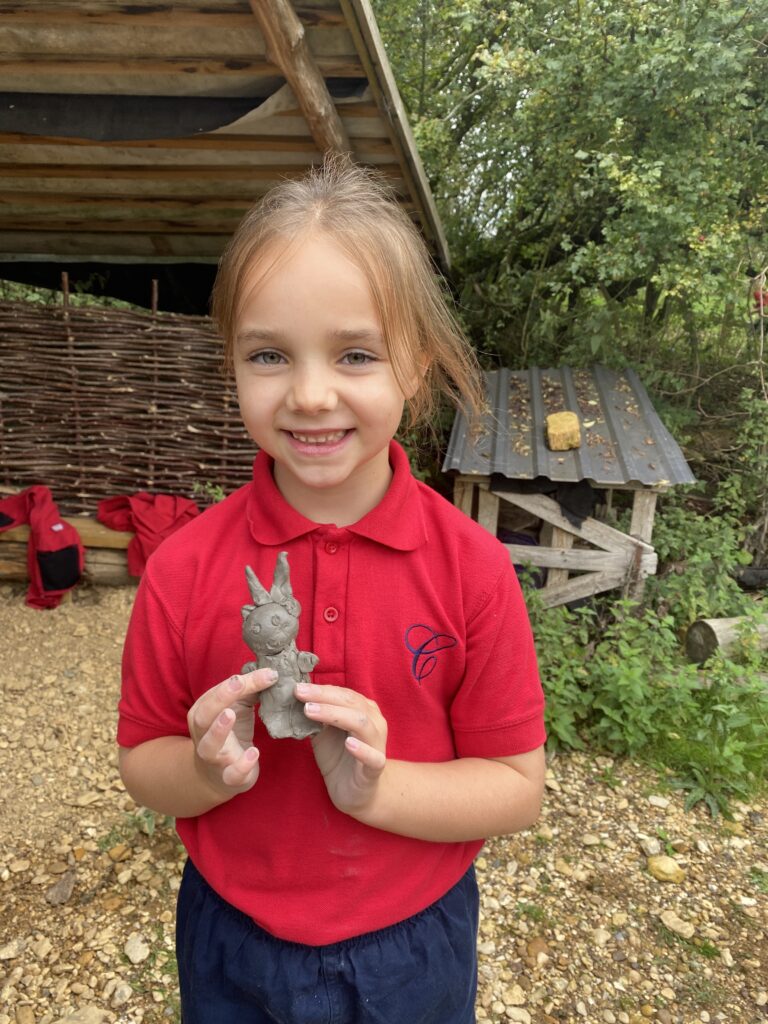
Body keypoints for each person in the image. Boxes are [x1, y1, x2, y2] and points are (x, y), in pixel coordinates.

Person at [117, 156, 546, 1024]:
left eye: (355, 353)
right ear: (232, 363)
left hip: (413, 939)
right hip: (232, 934)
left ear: (416, 366)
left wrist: (377, 793)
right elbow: (142, 763)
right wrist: (204, 771)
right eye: (270, 354)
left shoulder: (471, 566)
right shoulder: (183, 566)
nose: (311, 396)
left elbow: (516, 786)